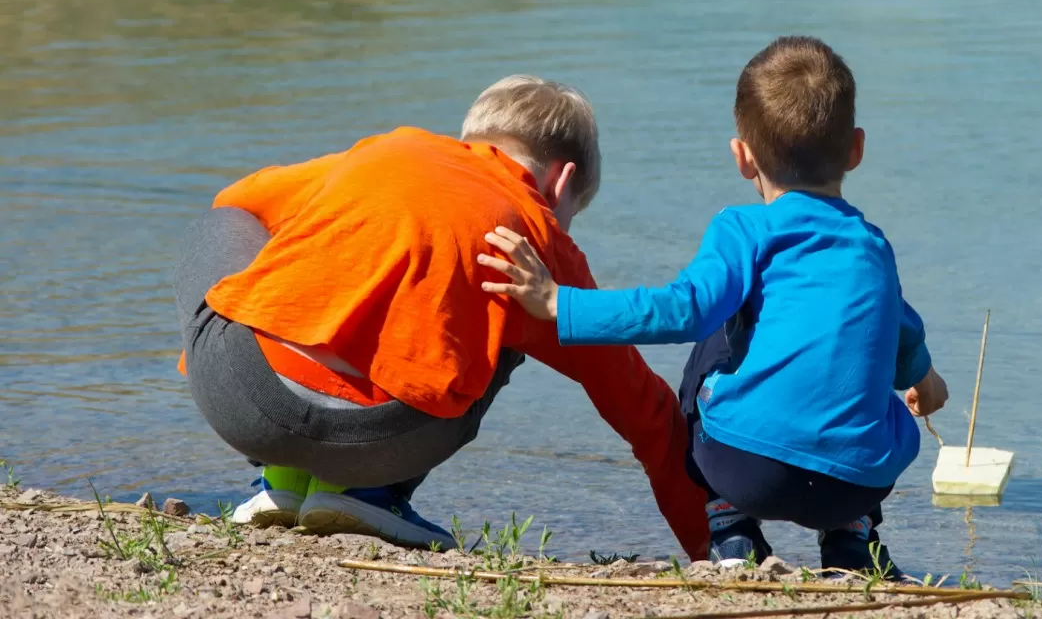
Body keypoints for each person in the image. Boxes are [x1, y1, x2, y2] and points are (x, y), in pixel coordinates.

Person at [173, 76, 709, 559]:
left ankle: (281, 481)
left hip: (243, 400)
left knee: (221, 225)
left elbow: (237, 200)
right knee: (511, 315)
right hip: (380, 444)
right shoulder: (541, 237)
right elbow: (648, 417)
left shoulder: (390, 149)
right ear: (562, 183)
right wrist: (717, 551)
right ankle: (370, 494)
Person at [478, 37, 950, 575]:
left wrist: (560, 303)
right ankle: (851, 538)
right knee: (867, 379)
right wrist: (926, 382)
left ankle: (729, 527)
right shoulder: (873, 247)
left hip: (747, 470)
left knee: (713, 334)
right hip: (852, 483)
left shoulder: (745, 228)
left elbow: (681, 310)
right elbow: (902, 335)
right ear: (856, 149)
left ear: (742, 156)